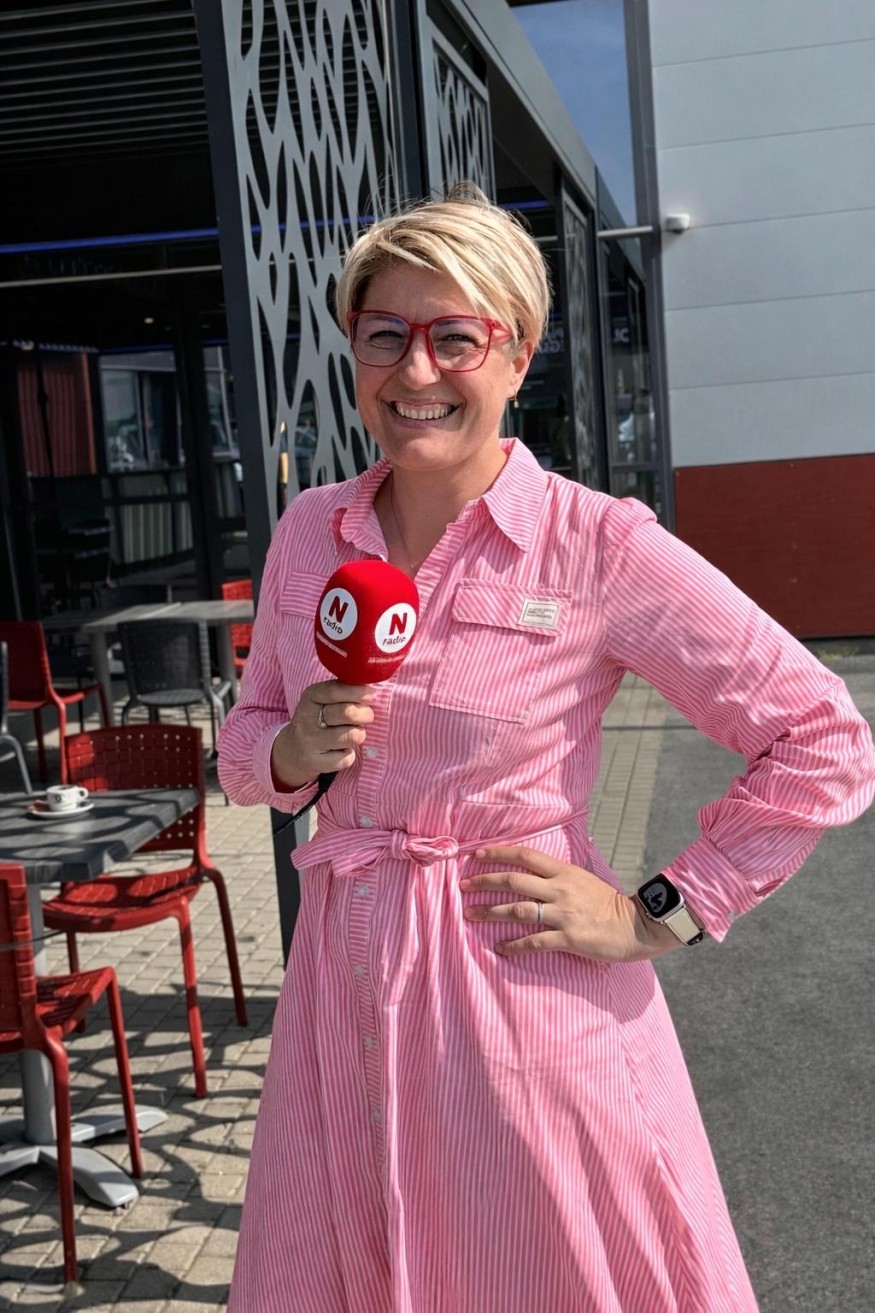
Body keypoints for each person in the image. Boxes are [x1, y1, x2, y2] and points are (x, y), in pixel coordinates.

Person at [216, 182, 875, 1313]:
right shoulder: (309, 530)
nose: (415, 370)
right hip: (339, 996)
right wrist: (289, 747)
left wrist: (655, 912)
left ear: (517, 354)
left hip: (515, 998)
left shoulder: (593, 543)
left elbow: (820, 736)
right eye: (384, 334)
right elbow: (242, 746)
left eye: (454, 337)